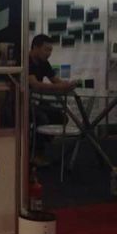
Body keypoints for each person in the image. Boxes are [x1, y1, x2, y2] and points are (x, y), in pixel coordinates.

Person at [28, 34, 78, 166]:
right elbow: (35, 85)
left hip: (36, 101)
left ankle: (35, 144)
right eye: (46, 49)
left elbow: (55, 80)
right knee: (42, 119)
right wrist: (61, 87)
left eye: (50, 50)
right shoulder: (26, 61)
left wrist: (67, 85)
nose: (49, 53)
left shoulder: (44, 62)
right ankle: (36, 153)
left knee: (61, 118)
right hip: (22, 102)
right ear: (35, 47)